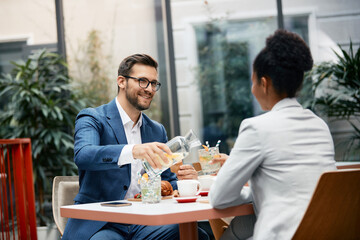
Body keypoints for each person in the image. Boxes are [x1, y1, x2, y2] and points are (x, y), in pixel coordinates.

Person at [62, 54, 209, 240]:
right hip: (104, 223)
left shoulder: (156, 130)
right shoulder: (92, 118)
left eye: (153, 83)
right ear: (121, 81)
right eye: (142, 81)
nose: (149, 89)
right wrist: (133, 151)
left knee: (196, 236)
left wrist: (184, 182)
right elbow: (84, 155)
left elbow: (167, 181)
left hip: (145, 222)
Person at [209, 29, 337, 240]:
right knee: (241, 228)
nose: (252, 89)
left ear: (264, 83)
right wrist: (257, 190)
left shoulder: (256, 128)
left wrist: (249, 192)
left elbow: (219, 198)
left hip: (285, 235)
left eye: (253, 81)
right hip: (327, 232)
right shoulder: (320, 126)